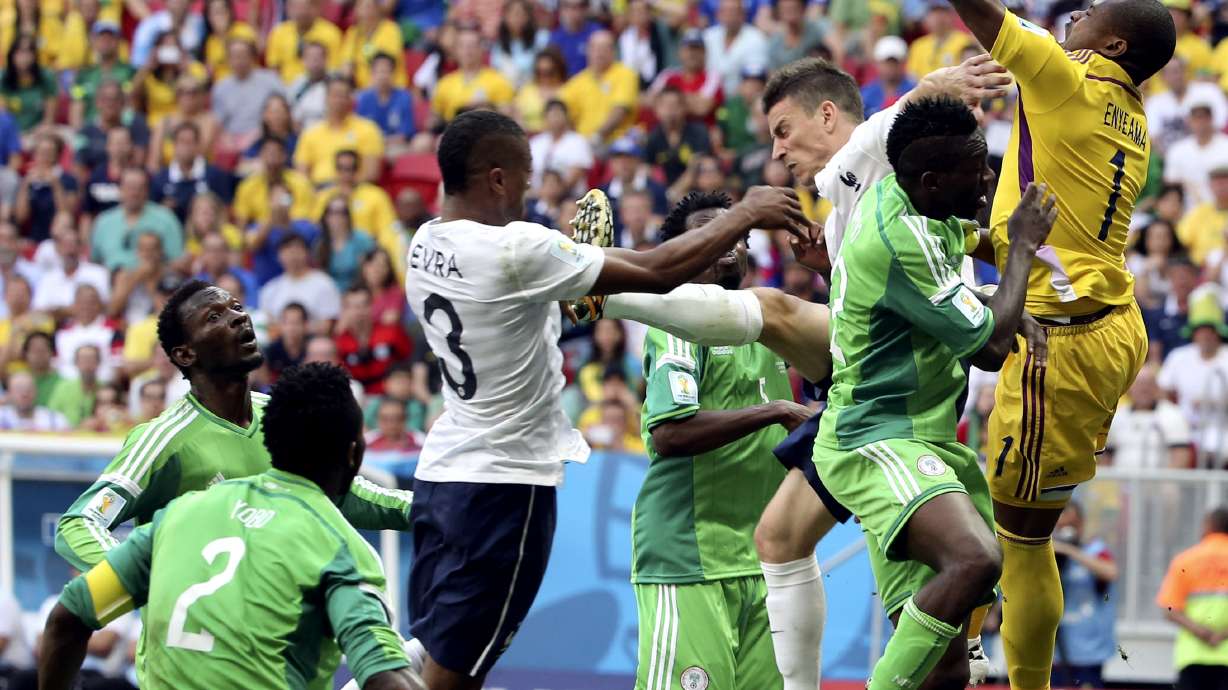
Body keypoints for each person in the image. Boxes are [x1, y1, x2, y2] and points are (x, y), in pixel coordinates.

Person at [570, 54, 1013, 689]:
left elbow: (892, 122)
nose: (778, 153)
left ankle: (601, 279)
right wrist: (827, 269)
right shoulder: (848, 209)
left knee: (775, 311)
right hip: (881, 396)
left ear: (827, 116)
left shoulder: (862, 155)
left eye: (783, 130)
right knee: (779, 538)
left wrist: (934, 87)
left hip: (890, 396)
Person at [403, 109, 807, 690]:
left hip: (444, 472)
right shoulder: (518, 249)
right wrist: (745, 213)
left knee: (435, 653)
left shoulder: (423, 244)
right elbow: (654, 270)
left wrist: (574, 283)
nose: (528, 193)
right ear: (496, 178)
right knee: (456, 675)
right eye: (522, 178)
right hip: (505, 484)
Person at [944, 2, 1176, 689]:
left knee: (1021, 537)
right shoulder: (1128, 113)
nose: (1073, 15)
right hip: (1101, 318)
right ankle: (976, 642)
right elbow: (1056, 234)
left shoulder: (1067, 78)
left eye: (1089, 12)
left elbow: (983, 15)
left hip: (1060, 343)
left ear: (1114, 41)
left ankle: (1019, 678)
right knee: (1005, 510)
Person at [819, 97, 1054, 690]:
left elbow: (955, 288)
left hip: (921, 438)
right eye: (975, 169)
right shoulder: (899, 239)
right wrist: (1022, 248)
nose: (988, 177)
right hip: (877, 439)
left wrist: (994, 300)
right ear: (931, 180)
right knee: (976, 560)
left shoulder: (918, 203)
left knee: (943, 666)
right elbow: (991, 352)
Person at [39, 363, 425, 690]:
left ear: (268, 438)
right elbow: (382, 675)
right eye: (214, 315)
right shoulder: (342, 551)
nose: (238, 318)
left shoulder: (179, 519)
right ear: (355, 453)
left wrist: (168, 570)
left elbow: (65, 620)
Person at [54, 279, 414, 573]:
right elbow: (77, 525)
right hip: (191, 654)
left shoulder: (281, 415)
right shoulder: (165, 439)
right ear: (184, 354)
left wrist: (430, 508)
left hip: (276, 648)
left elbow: (344, 495)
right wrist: (148, 579)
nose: (239, 318)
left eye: (237, 308)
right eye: (214, 317)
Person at [632, 190, 811, 690]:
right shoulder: (677, 320)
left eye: (740, 235)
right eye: (714, 235)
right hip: (689, 560)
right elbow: (670, 433)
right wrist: (774, 410)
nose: (731, 245)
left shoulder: (765, 322)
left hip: (762, 561)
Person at [1157, 506, 1228, 690]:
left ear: (1207, 526)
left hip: (1193, 654)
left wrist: (1201, 632)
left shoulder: (1186, 560)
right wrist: (1222, 634)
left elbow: (1169, 609)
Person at [1051, 501, 1118, 689]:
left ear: (1081, 524)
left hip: (1089, 652)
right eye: (1060, 526)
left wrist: (1070, 550)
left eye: (1071, 526)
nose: (1066, 531)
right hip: (1054, 652)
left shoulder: (1096, 550)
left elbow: (1110, 572)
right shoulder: (1049, 555)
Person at [91, 167, 184, 271]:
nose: (134, 193)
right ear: (120, 189)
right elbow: (95, 262)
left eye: (139, 188)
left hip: (153, 282)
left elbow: (177, 261)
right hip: (110, 281)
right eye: (130, 187)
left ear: (147, 191)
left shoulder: (166, 219)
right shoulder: (104, 221)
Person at [296, 76, 384, 185]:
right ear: (326, 99)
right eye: (335, 95)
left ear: (351, 99)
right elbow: (302, 175)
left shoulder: (368, 129)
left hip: (355, 189)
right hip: (319, 192)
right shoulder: (310, 133)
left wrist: (342, 188)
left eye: (343, 96)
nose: (338, 100)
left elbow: (371, 173)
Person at [1104, 364, 1193, 469]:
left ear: (1157, 387)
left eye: (1148, 384)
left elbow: (1180, 456)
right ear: (1128, 389)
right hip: (1120, 483)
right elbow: (1106, 457)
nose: (1143, 389)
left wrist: (1167, 484)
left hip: (1158, 483)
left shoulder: (1173, 414)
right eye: (1138, 384)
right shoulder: (1117, 416)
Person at [559, 30, 638, 147]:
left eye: (605, 48)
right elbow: (562, 112)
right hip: (583, 144)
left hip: (617, 144)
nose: (599, 53)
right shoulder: (576, 82)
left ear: (613, 52)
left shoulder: (626, 74)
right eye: (595, 48)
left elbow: (620, 110)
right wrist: (575, 141)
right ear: (587, 50)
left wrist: (597, 137)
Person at [210, 37, 284, 156]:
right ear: (228, 59)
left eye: (243, 55)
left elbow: (284, 111)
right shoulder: (220, 87)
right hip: (232, 142)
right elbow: (218, 123)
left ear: (253, 57)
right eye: (234, 56)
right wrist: (229, 141)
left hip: (264, 139)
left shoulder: (271, 81)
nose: (239, 60)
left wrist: (260, 135)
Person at [150, 121, 234, 223]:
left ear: (198, 145)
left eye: (190, 142)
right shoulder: (160, 179)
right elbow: (151, 213)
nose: (186, 147)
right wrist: (163, 210)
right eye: (182, 142)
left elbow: (226, 211)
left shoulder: (215, 175)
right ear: (174, 145)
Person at [258, 234, 342, 332]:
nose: (293, 254)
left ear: (307, 253)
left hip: (314, 342)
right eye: (287, 250)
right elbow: (267, 325)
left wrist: (297, 330)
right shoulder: (270, 289)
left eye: (297, 249)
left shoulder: (324, 283)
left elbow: (329, 323)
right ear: (278, 256)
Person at [430, 26, 514, 124]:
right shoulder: (445, 83)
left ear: (481, 49)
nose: (467, 50)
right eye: (462, 46)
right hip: (452, 132)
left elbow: (507, 116)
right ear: (455, 50)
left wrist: (488, 108)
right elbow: (434, 119)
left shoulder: (498, 80)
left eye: (472, 45)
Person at [265, 0, 342, 84]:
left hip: (319, 86)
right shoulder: (279, 32)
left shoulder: (331, 33)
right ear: (287, 8)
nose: (301, 12)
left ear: (316, 8)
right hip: (285, 86)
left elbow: (334, 69)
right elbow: (273, 67)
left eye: (305, 7)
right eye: (296, 7)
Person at [355, 53, 416, 155]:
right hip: (368, 147)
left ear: (394, 74)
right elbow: (357, 130)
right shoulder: (363, 98)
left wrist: (380, 142)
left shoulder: (404, 97)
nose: (383, 76)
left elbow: (405, 135)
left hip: (393, 147)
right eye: (379, 72)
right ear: (372, 74)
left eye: (387, 71)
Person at [528, 99, 592, 194]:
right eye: (552, 115)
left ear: (566, 117)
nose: (555, 119)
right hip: (538, 196)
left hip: (569, 197)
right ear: (545, 117)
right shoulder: (535, 143)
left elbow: (575, 175)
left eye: (558, 115)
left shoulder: (578, 141)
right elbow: (528, 173)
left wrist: (551, 194)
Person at [907, 2, 973, 80]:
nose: (939, 18)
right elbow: (912, 77)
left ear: (952, 16)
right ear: (927, 18)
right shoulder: (918, 45)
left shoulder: (965, 42)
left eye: (943, 12)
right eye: (934, 13)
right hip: (925, 90)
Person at [48, 344, 104, 428]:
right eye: (83, 360)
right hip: (68, 438)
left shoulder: (106, 388)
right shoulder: (63, 388)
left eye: (92, 360)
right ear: (76, 363)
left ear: (98, 363)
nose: (87, 365)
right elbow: (51, 416)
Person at [862, 36, 917, 117]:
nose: (890, 67)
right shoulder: (866, 94)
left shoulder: (914, 92)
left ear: (903, 63)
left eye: (894, 62)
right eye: (886, 63)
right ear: (877, 63)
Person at [0, 370, 70, 431]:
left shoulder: (55, 420)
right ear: (9, 393)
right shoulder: (1, 416)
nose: (24, 394)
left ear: (36, 392)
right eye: (19, 389)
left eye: (28, 389)